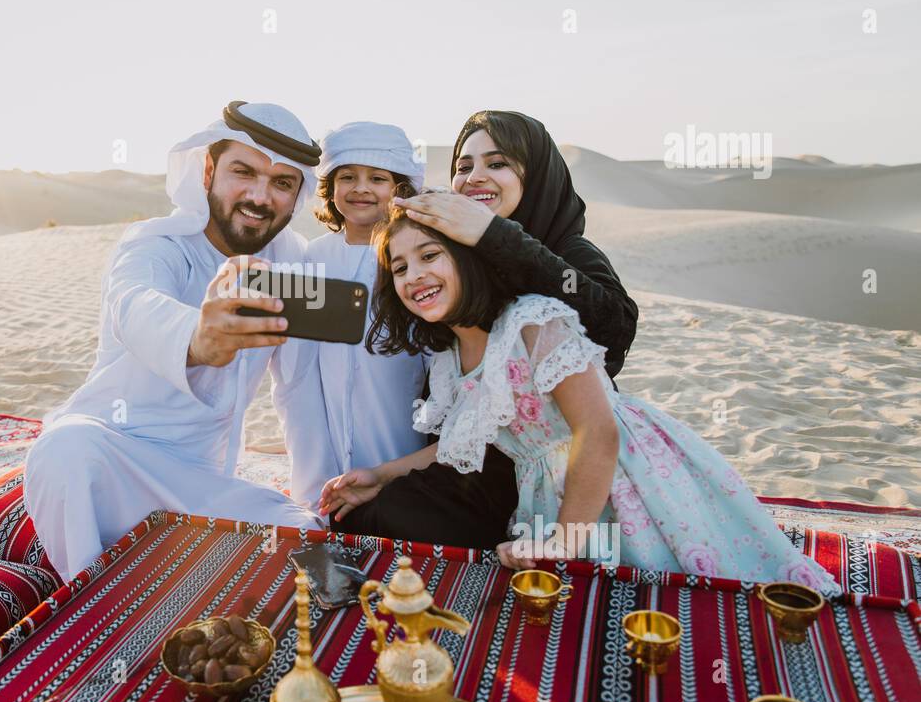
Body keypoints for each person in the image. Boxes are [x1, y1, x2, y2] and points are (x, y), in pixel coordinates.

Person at [323, 205, 842, 597]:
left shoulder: (532, 321)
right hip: (544, 498)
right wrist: (382, 475)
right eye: (399, 267)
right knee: (594, 611)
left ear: (466, 257)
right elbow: (462, 445)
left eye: (430, 255)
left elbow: (598, 430)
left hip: (624, 479)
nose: (414, 275)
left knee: (702, 595)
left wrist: (564, 542)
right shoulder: (449, 358)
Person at [23, 101, 335, 580]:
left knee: (300, 531)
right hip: (114, 456)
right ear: (208, 169)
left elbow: (297, 392)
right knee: (63, 451)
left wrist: (319, 494)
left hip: (200, 483)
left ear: (297, 195)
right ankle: (95, 604)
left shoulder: (291, 262)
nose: (259, 196)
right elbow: (134, 303)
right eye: (243, 172)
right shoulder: (155, 244)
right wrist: (196, 337)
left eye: (282, 183)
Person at [323, 110, 639, 548]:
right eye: (463, 166)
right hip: (484, 459)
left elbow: (612, 335)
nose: (475, 177)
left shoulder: (564, 255)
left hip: (568, 462)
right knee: (363, 517)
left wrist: (497, 236)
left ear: (536, 173)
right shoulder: (454, 255)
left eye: (497, 163)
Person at [304, 122, 428, 474]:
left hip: (397, 433)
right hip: (327, 436)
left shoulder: (414, 259)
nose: (361, 189)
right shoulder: (314, 257)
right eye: (347, 177)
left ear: (399, 188)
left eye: (377, 178)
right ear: (330, 187)